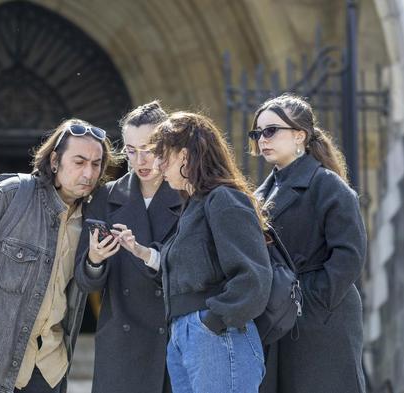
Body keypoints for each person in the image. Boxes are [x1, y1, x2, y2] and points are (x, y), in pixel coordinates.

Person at [0, 119, 115, 393]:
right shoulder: (10, 196)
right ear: (55, 161)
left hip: (48, 371)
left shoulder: (93, 220)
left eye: (96, 163)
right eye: (79, 162)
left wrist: (95, 262)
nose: (89, 173)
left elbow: (87, 288)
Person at [116, 112, 273, 393]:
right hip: (186, 335)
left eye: (163, 155)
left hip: (215, 335)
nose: (159, 165)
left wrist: (212, 321)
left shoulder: (224, 199)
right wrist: (143, 253)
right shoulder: (194, 205)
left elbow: (254, 277)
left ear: (185, 156)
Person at [249, 93, 367, 393]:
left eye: (272, 130)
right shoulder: (261, 194)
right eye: (258, 132)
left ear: (300, 135)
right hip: (279, 320)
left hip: (320, 323)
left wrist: (308, 301)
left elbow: (349, 257)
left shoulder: (328, 186)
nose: (263, 139)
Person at [74, 101, 181, 393]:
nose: (140, 161)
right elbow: (85, 282)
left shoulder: (188, 197)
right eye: (131, 151)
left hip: (174, 342)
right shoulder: (106, 198)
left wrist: (147, 255)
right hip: (122, 345)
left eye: (148, 149)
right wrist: (94, 260)